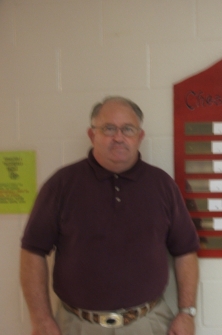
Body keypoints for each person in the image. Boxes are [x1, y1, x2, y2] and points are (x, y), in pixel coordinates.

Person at [20, 96, 200, 335]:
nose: (118, 137)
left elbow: (185, 251)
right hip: (76, 325)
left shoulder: (162, 185)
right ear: (92, 134)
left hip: (148, 324)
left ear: (140, 136)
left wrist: (186, 312)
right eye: (108, 128)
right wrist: (41, 320)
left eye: (127, 129)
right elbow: (32, 251)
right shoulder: (61, 184)